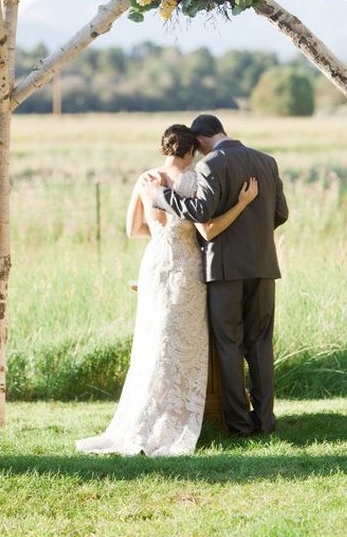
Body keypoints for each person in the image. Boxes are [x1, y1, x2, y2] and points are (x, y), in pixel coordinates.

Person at [76, 124, 258, 457]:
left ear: (165, 149)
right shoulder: (193, 180)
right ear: (190, 151)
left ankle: (144, 415)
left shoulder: (146, 179)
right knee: (183, 340)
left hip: (156, 262)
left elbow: (134, 229)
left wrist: (163, 231)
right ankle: (184, 415)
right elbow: (207, 230)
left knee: (152, 339)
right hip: (187, 264)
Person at [148, 114, 289, 438]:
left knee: (229, 344)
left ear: (199, 141)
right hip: (264, 267)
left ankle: (239, 425)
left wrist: (161, 196)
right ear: (221, 131)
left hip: (224, 270)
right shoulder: (267, 161)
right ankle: (265, 422)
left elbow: (200, 212)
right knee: (261, 343)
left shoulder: (211, 165)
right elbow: (280, 213)